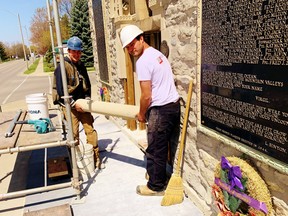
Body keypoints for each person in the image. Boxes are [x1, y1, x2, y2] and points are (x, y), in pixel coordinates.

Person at [120, 25, 181, 196]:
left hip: (161, 110)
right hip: (172, 107)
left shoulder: (143, 62)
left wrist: (140, 114)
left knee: (155, 149)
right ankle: (158, 175)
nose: (131, 49)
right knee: (161, 146)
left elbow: (146, 96)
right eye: (128, 47)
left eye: (133, 44)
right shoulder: (157, 54)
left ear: (141, 38)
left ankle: (156, 186)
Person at [52, 36, 104, 169]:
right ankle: (76, 164)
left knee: (90, 131)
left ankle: (95, 157)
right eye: (74, 51)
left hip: (83, 106)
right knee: (74, 134)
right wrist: (75, 104)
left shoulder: (81, 66)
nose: (76, 54)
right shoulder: (62, 68)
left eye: (79, 52)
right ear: (68, 51)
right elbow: (61, 90)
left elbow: (87, 85)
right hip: (70, 106)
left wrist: (87, 99)